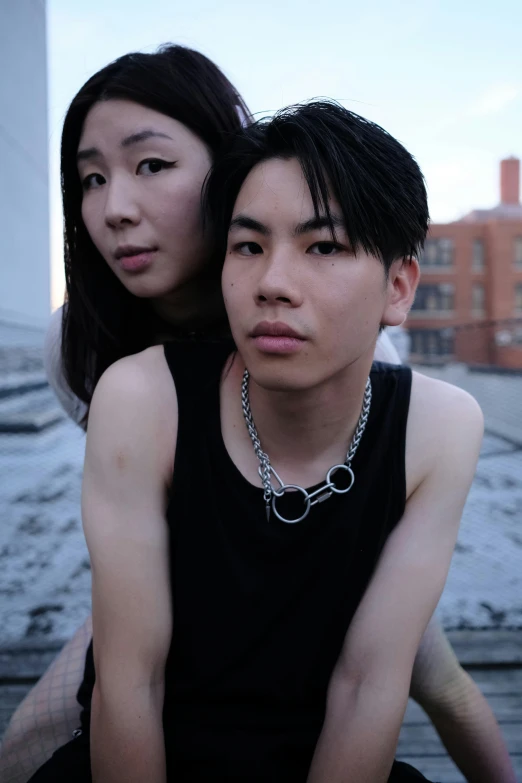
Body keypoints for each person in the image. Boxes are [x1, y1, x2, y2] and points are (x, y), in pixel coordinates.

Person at [0, 46, 514, 783]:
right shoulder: (86, 350)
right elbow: (133, 650)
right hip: (182, 549)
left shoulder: (386, 374)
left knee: (436, 679)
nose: (115, 206)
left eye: (151, 165)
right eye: (91, 177)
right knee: (37, 733)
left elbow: (368, 670)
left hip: (345, 548)